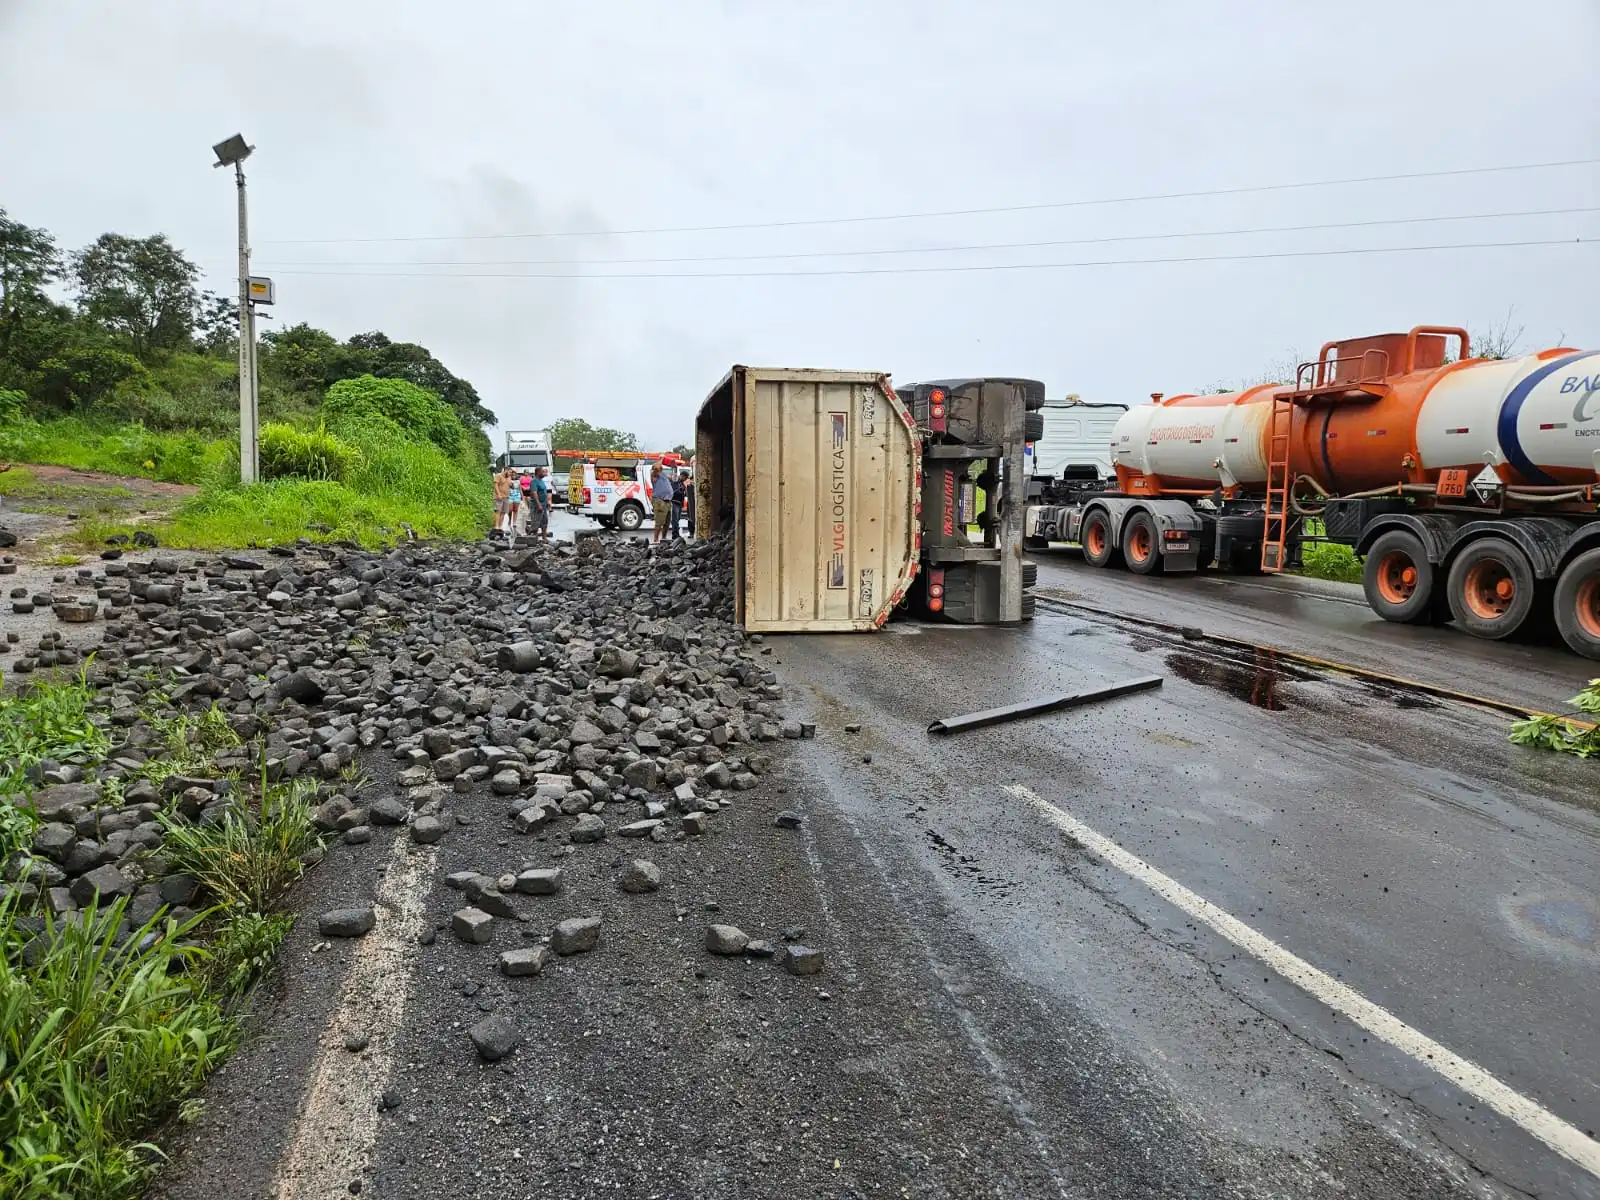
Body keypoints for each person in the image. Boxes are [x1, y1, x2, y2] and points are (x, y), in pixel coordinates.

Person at [649, 464, 674, 545]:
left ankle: (663, 538)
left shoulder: (663, 476)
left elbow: (673, 478)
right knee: (659, 522)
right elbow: (655, 469)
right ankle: (655, 540)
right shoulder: (654, 476)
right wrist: (660, 461)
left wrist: (674, 467)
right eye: (659, 468)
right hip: (660, 501)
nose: (660, 468)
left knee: (667, 522)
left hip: (668, 501)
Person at [529, 466, 552, 542]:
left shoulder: (541, 480)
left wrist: (548, 503)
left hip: (544, 504)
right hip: (537, 505)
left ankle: (544, 538)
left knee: (544, 521)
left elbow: (544, 492)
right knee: (536, 521)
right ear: (538, 472)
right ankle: (533, 539)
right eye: (542, 472)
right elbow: (534, 493)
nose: (544, 473)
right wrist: (538, 504)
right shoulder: (534, 481)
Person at [669, 469, 687, 539]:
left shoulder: (681, 483)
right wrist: (680, 490)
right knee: (675, 520)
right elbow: (673, 492)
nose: (685, 479)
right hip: (674, 502)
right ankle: (675, 535)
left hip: (679, 504)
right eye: (685, 477)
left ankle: (676, 534)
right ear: (682, 475)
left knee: (677, 519)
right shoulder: (676, 482)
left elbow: (683, 493)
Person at [682, 467, 695, 539]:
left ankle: (692, 532)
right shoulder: (688, 482)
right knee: (690, 517)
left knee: (690, 517)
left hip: (691, 502)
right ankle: (692, 532)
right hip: (691, 502)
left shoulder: (688, 482)